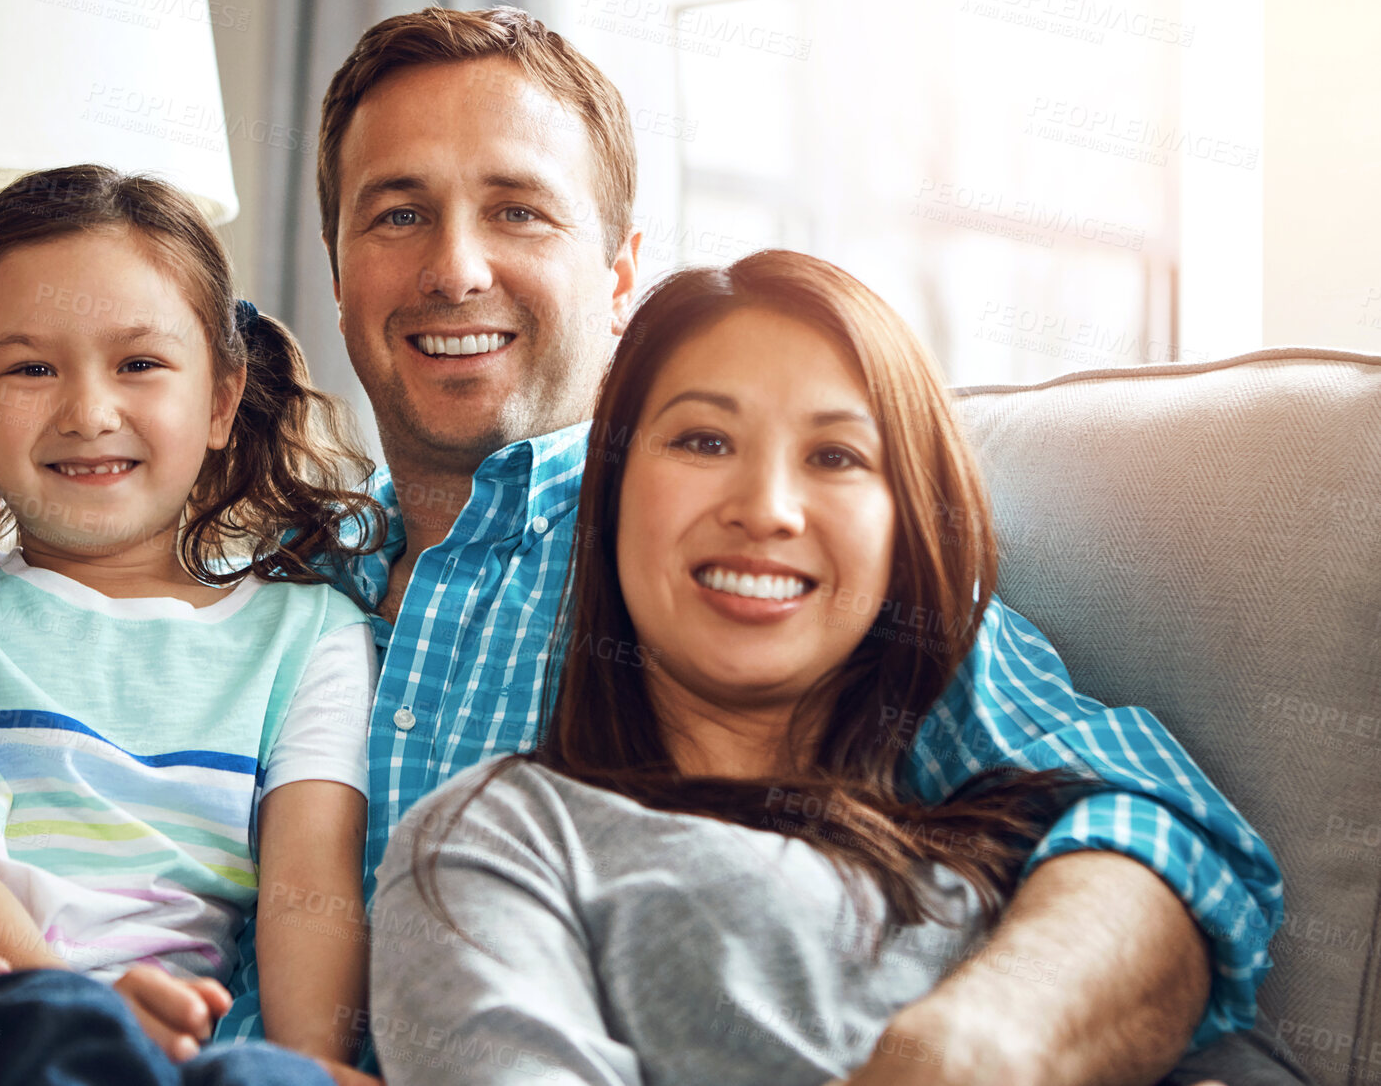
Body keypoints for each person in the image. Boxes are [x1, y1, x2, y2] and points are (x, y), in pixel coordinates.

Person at [0, 8, 1282, 1086]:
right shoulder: (258, 571)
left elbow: (1160, 828)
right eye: (394, 213)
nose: (451, 264)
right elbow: (1, 748)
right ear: (333, 274)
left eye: (516, 213)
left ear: (616, 273)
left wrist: (982, 1040)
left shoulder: (729, 553)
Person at [370, 249, 1144, 1081]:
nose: (766, 509)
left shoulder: (1033, 854)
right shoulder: (498, 840)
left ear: (906, 527)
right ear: (614, 492)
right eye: (705, 440)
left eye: (836, 455)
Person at [0, 165, 384, 1085]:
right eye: (29, 368)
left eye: (139, 363)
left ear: (220, 399)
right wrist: (89, 1016)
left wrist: (303, 1065)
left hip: (170, 1056)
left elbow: (311, 893)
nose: (89, 412)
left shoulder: (312, 635)